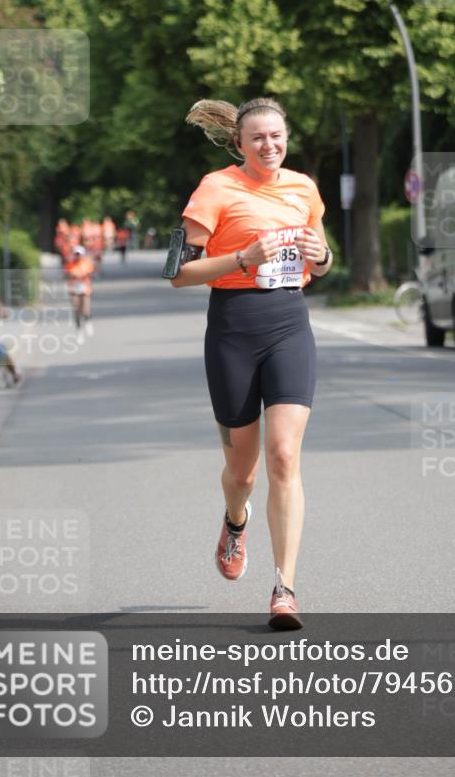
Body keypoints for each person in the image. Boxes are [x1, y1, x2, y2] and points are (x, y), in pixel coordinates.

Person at [170, 97, 333, 630]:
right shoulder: (215, 189)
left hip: (290, 323)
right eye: (258, 138)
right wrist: (243, 258)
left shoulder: (304, 188)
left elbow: (324, 261)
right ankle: (234, 521)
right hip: (233, 328)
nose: (270, 145)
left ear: (288, 139)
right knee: (243, 471)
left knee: (284, 455)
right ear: (239, 143)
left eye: (278, 136)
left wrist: (321, 254)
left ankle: (285, 588)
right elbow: (180, 273)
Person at [63, 245, 95, 344]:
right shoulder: (70, 265)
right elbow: (66, 275)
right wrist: (72, 275)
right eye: (76, 254)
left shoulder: (86, 264)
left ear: (82, 255)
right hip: (74, 289)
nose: (77, 256)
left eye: (79, 254)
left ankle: (88, 321)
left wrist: (80, 274)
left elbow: (88, 273)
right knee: (76, 310)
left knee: (85, 310)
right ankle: (79, 330)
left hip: (85, 288)